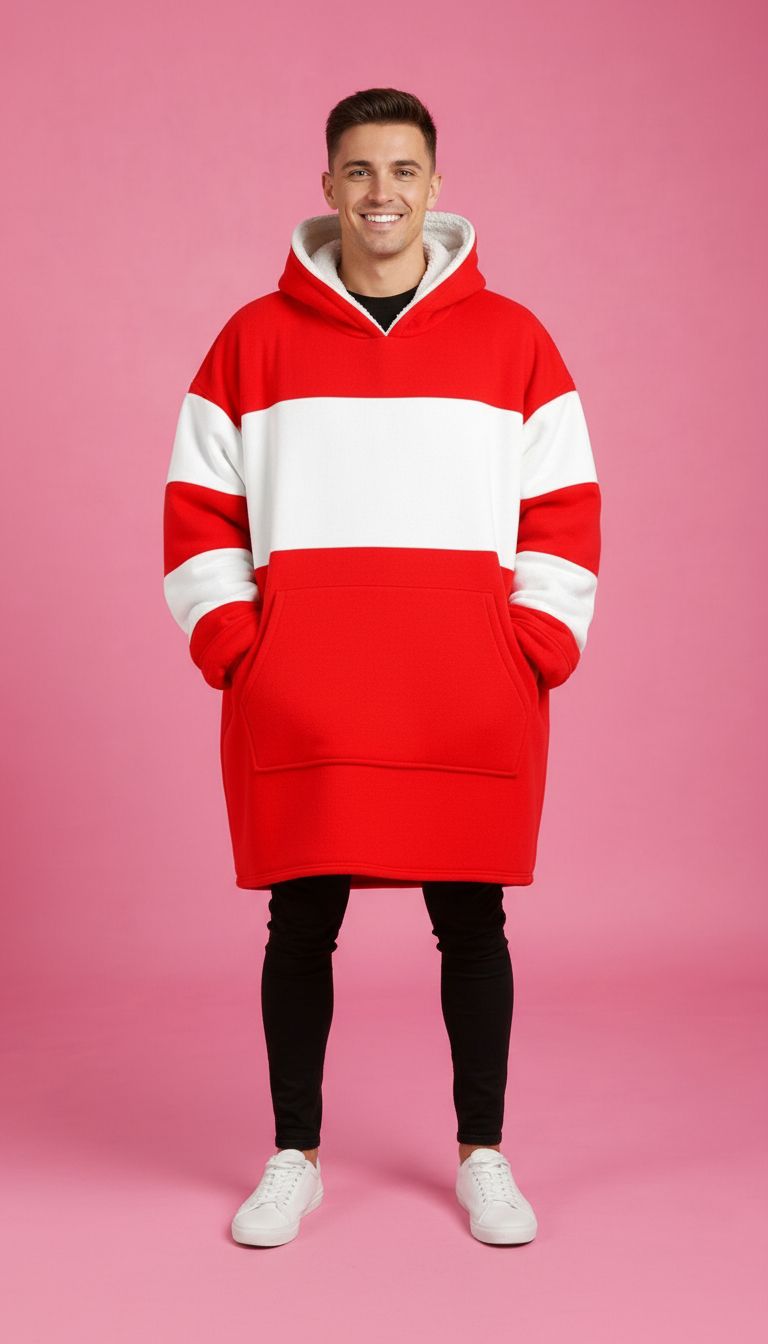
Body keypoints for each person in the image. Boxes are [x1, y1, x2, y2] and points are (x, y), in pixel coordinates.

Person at [163, 87, 601, 1247]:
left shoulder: (515, 340)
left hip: (465, 698)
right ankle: (294, 1156)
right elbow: (199, 505)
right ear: (327, 187)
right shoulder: (252, 340)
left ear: (435, 186)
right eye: (359, 171)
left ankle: (483, 1155)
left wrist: (531, 648)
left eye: (403, 170)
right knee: (300, 923)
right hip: (306, 697)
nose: (381, 193)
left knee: (474, 922)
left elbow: (564, 505)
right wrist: (239, 646)